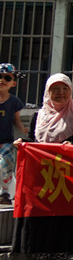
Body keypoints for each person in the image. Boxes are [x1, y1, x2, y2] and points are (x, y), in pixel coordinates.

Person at [13, 73, 73, 260]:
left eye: (64, 88)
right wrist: (22, 144)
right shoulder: (38, 116)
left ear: (70, 91)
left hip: (66, 183)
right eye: (55, 89)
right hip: (41, 183)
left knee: (60, 229)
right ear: (48, 92)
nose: (60, 93)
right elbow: (34, 143)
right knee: (40, 228)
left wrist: (71, 146)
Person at [0, 63, 27, 205]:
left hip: (6, 140)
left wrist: (22, 129)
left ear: (13, 83)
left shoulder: (14, 101)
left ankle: (4, 193)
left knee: (5, 165)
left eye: (7, 78)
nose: (2, 80)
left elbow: (16, 120)